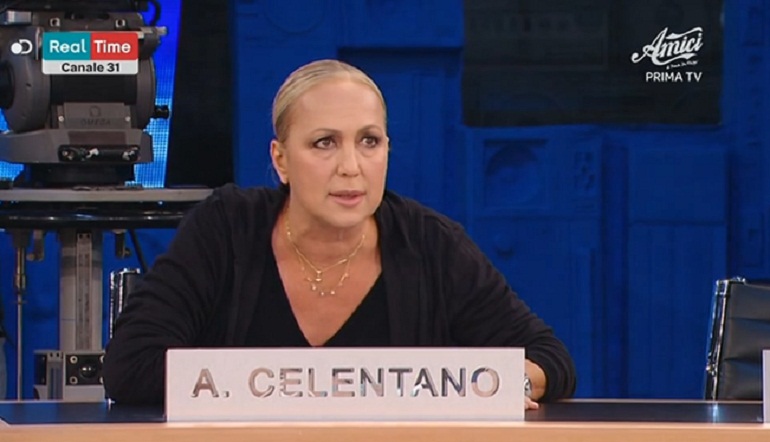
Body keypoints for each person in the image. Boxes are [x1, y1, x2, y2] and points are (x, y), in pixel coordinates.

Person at [103, 59, 577, 407]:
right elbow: (130, 367)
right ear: (281, 159)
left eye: (369, 141)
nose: (351, 167)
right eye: (324, 143)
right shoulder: (227, 229)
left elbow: (550, 360)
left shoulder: (430, 243)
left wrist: (501, 386)